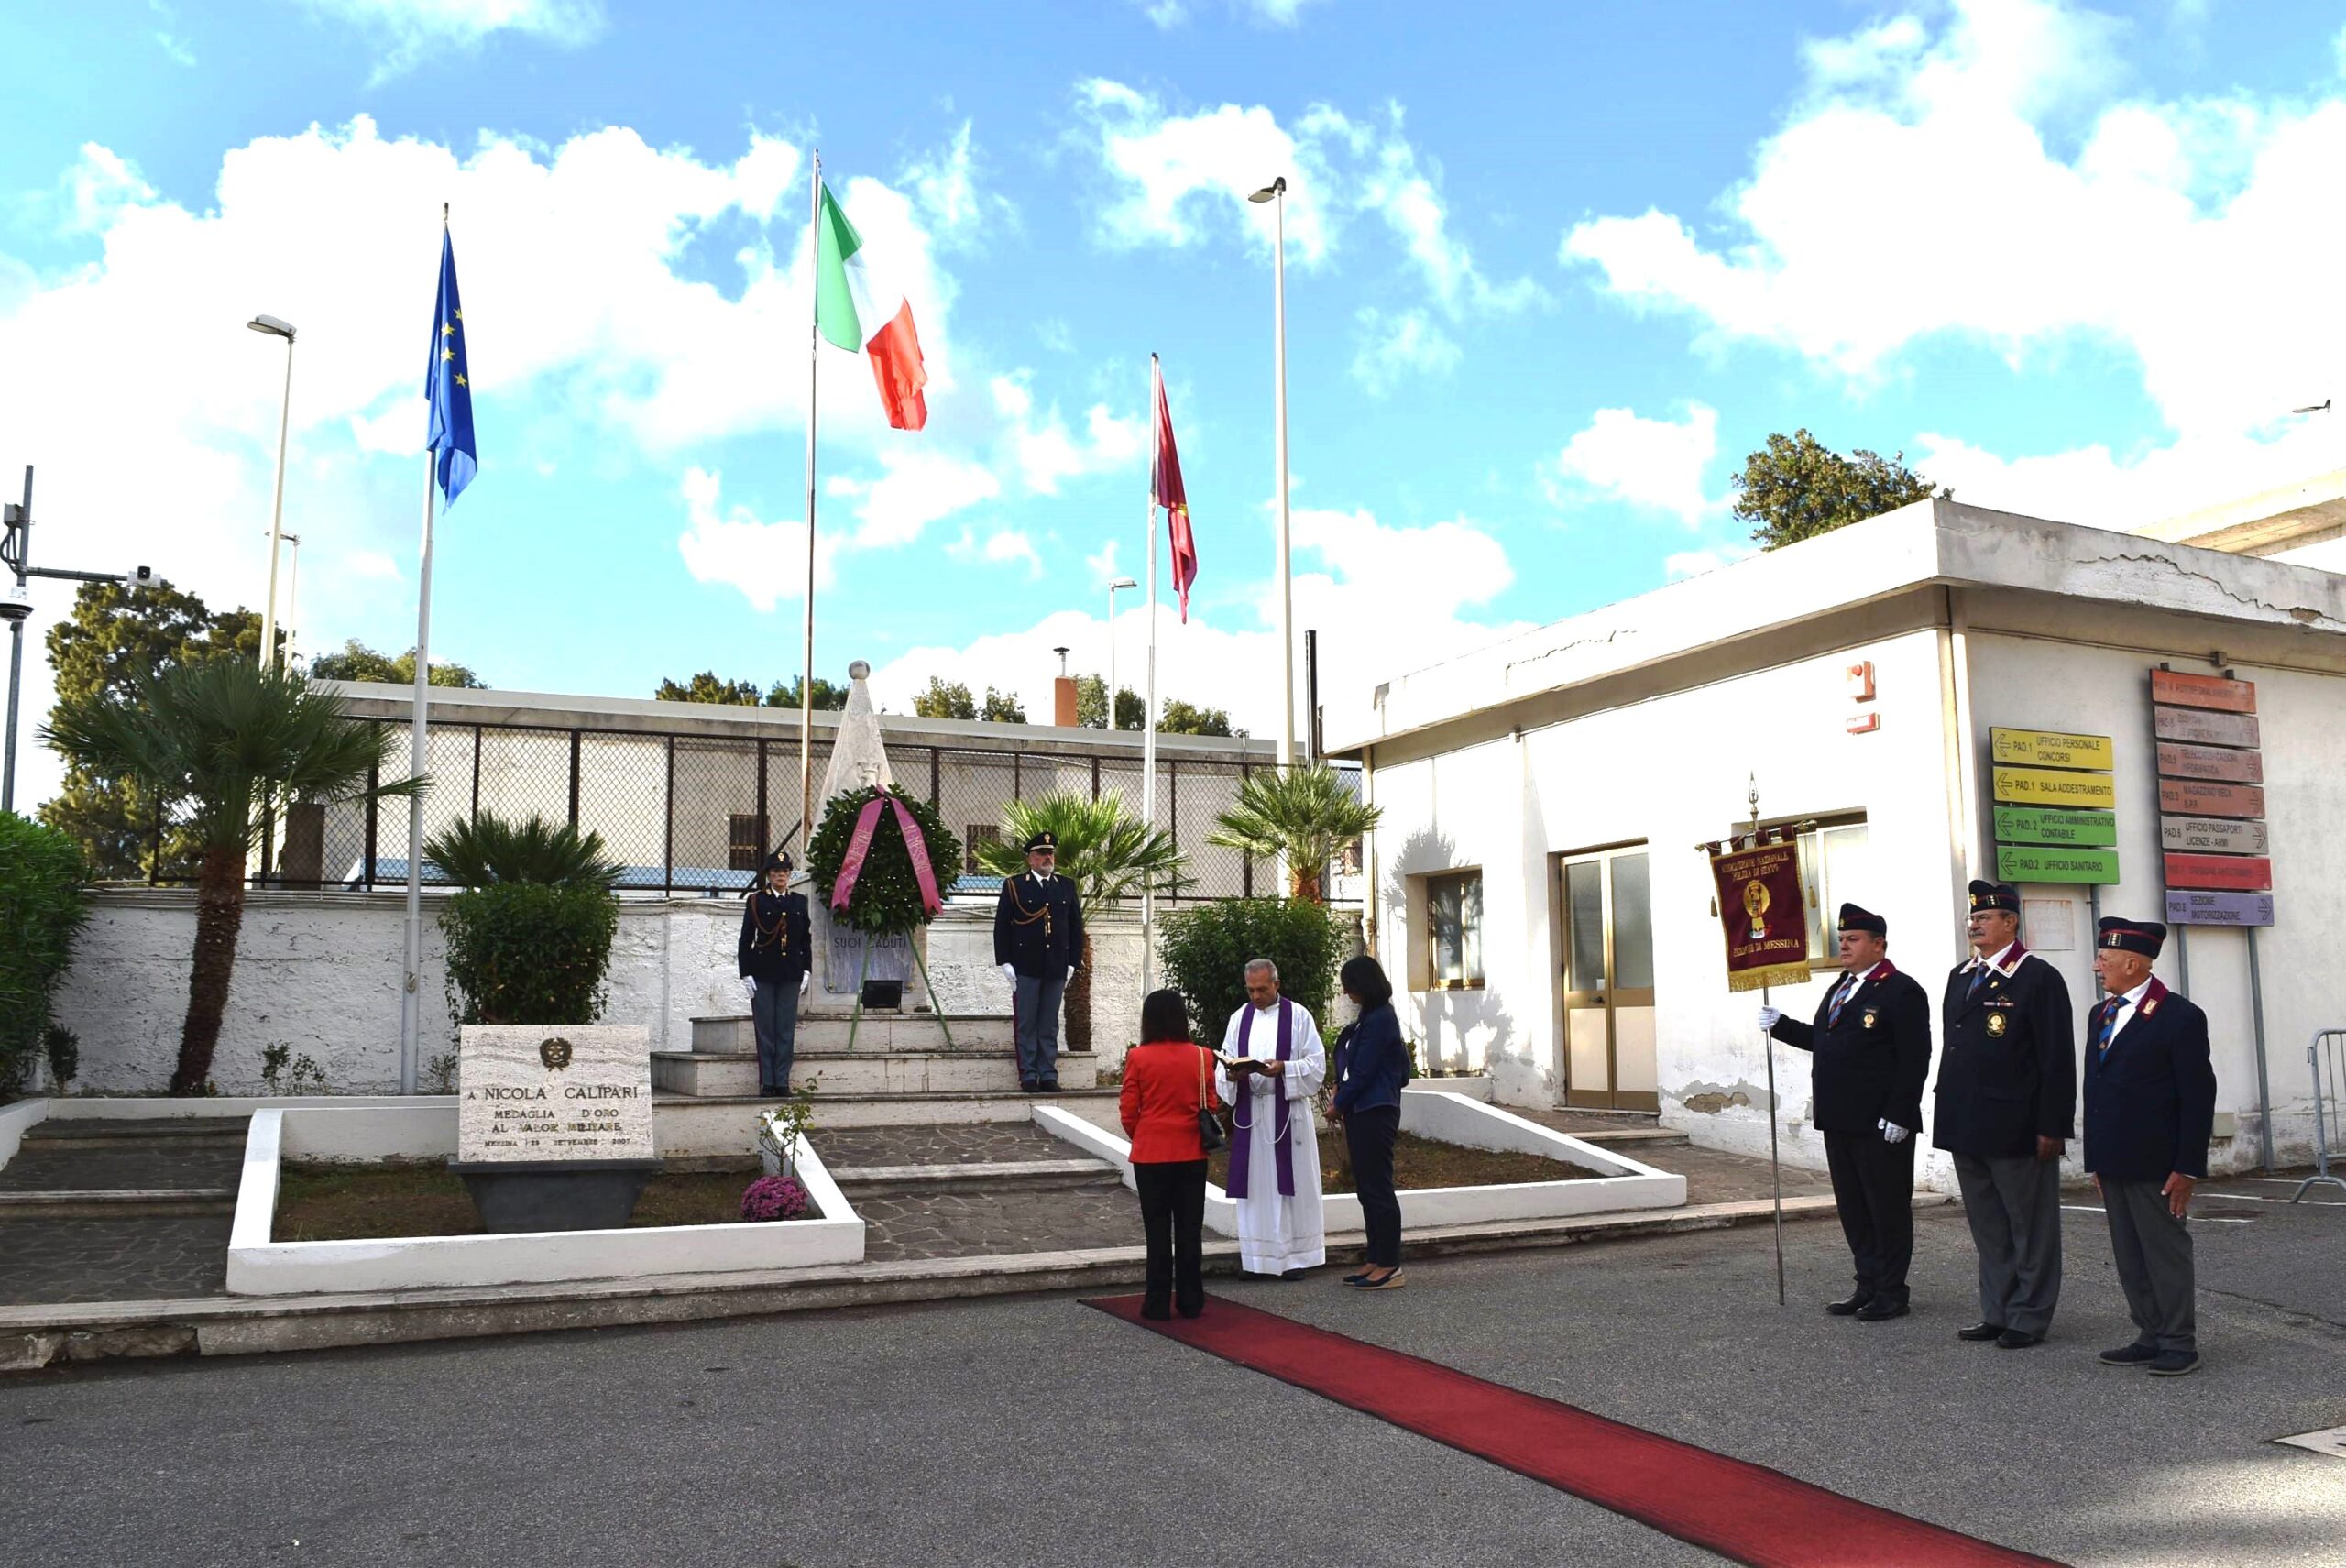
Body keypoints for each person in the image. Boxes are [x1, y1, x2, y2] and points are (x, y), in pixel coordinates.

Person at [1759, 903, 1932, 1321]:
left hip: (1880, 1123)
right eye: (1842, 940)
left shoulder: (1900, 990)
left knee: (1886, 1208)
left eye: (1853, 940)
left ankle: (1892, 1291)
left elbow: (1915, 1058)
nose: (1845, 947)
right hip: (1840, 1117)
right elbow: (1826, 1040)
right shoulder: (1841, 987)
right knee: (1854, 1208)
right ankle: (1867, 1284)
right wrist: (1780, 1024)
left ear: (1879, 944)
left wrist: (1901, 1113)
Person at [1933, 880, 2076, 1350]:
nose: (1974, 923)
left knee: (2029, 1227)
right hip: (1967, 1122)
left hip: (2016, 1126)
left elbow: (2056, 1059)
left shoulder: (2037, 977)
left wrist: (2053, 1126)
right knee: (1989, 1227)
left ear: (2010, 923)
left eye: (1985, 917)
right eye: (1972, 917)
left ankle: (2030, 1316)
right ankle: (1997, 1311)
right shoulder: (1960, 977)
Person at [2084, 918, 2217, 1377]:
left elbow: (2198, 1097)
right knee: (2130, 1252)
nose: (2097, 965)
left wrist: (2188, 1166)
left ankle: (2179, 1342)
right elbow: (2096, 1087)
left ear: (2133, 962)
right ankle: (2150, 1333)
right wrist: (2095, 1158)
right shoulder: (2100, 1014)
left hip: (2157, 1161)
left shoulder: (2179, 1016)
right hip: (2115, 1157)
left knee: (2164, 1252)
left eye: (2105, 958)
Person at [1215, 959, 1326, 1278]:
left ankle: (1292, 1259)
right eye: (1250, 990)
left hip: (1287, 1114)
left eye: (1262, 989)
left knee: (1288, 1186)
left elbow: (1316, 1065)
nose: (1256, 996)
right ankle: (1257, 1258)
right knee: (1256, 1189)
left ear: (1277, 984)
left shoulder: (1298, 1017)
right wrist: (1232, 1074)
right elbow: (1224, 1059)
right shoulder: (1240, 1018)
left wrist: (1285, 1069)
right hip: (1252, 1115)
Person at [1120, 989, 1222, 1321]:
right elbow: (1212, 1104)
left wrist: (1146, 1134)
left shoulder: (1138, 1057)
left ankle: (1157, 1302)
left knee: (1157, 1229)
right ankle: (1191, 1300)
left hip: (1151, 1154)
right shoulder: (1202, 1055)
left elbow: (1128, 1111)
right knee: (1190, 1228)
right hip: (1191, 1151)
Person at [1330, 954, 1411, 1290]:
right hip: (1363, 1110)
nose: (1347, 992)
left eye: (1350, 986)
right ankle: (1375, 1257)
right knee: (1366, 1189)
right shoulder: (1370, 1018)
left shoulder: (1380, 1020)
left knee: (1378, 1188)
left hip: (1374, 1110)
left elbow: (1364, 1070)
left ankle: (1389, 1264)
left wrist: (1339, 1103)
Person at [994, 830, 1082, 1093]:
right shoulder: (1015, 885)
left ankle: (1048, 1074)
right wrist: (1005, 962)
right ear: (1030, 859)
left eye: (1050, 853)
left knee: (1049, 1023)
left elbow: (1075, 926)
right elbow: (1002, 927)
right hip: (1026, 965)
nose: (1048, 858)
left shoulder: (1065, 886)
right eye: (1042, 854)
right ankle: (1029, 1075)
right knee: (1027, 1022)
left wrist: (1072, 962)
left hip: (1056, 965)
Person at [737, 849, 811, 1097]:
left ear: (790, 875)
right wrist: (745, 973)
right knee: (766, 1029)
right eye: (776, 871)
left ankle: (782, 1081)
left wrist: (807, 969)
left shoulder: (799, 902)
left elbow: (805, 940)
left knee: (785, 1029)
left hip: (790, 972)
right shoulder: (757, 900)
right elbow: (746, 939)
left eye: (785, 871)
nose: (781, 875)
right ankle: (767, 1082)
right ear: (769, 875)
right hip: (763, 973)